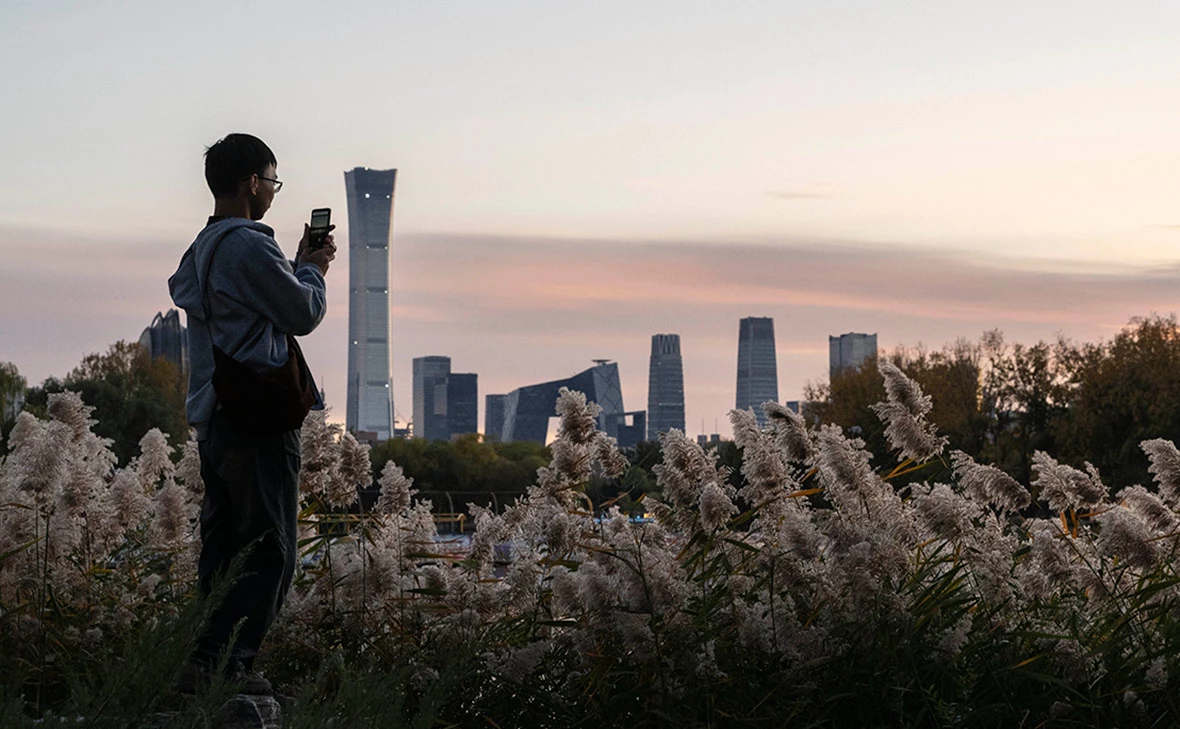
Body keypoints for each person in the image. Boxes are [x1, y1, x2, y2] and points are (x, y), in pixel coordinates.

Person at [167, 133, 336, 694]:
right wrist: (313, 269)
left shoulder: (203, 248)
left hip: (216, 418)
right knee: (271, 550)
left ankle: (204, 665)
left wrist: (293, 265)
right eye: (272, 182)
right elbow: (302, 311)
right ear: (251, 183)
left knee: (222, 550)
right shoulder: (246, 244)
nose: (272, 193)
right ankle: (232, 667)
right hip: (257, 417)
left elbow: (254, 306)